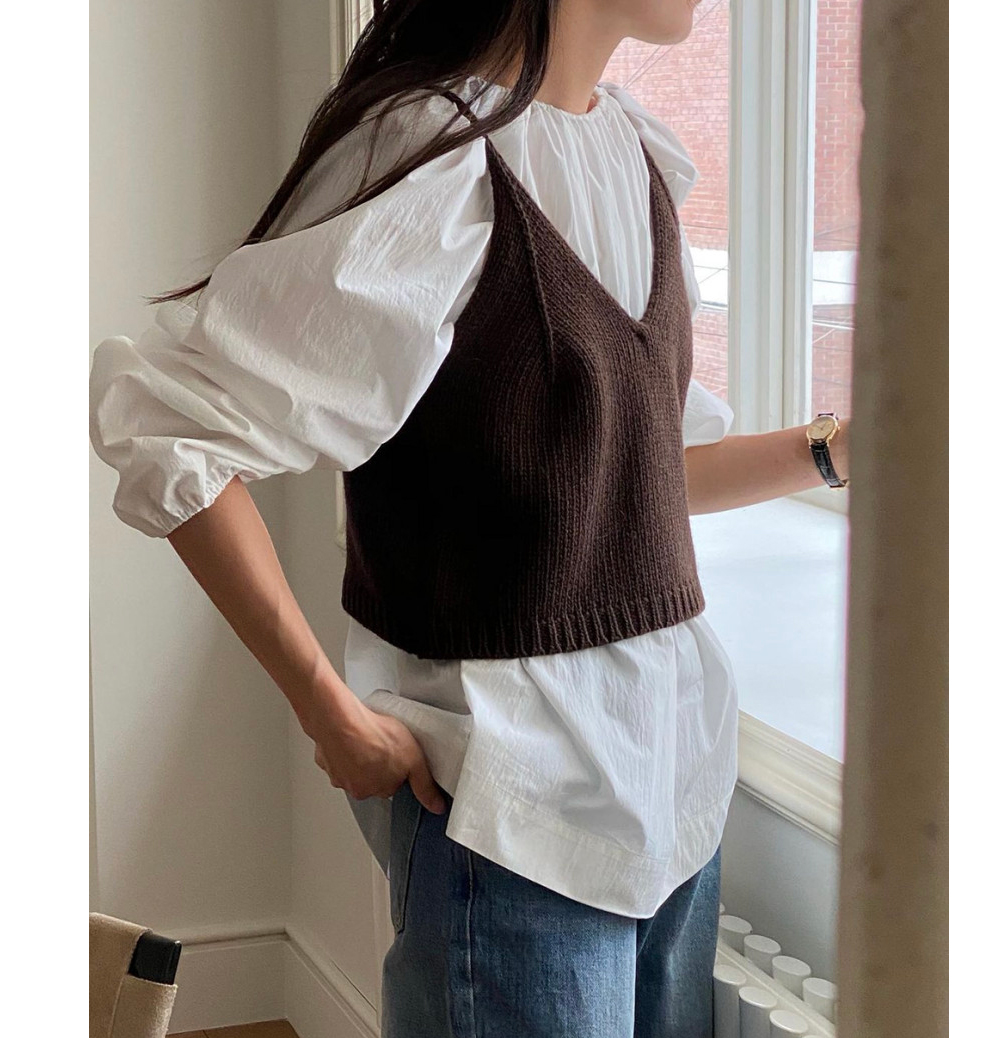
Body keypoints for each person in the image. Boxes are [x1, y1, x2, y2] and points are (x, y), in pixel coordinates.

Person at [89, 1, 852, 1035]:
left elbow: (640, 472)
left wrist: (834, 451)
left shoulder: (633, 153)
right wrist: (324, 708)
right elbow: (170, 423)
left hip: (674, 808)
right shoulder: (434, 160)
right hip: (513, 827)